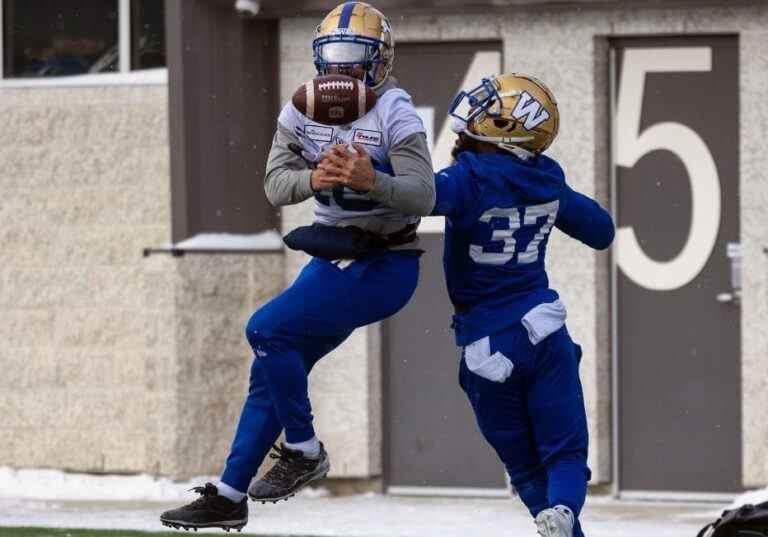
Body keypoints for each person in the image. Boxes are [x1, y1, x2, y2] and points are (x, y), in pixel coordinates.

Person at [160, 2, 434, 532]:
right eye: (332, 60)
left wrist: (368, 179)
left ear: (379, 63)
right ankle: (230, 494)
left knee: (265, 329)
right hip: (332, 256)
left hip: (384, 262)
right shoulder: (300, 111)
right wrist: (316, 180)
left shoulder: (395, 111)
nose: (340, 73)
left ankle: (305, 450)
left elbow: (424, 194)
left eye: (355, 60)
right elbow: (274, 186)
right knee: (269, 371)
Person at [431, 74, 613, 537]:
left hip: (486, 346)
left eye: (477, 120)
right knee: (566, 454)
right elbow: (601, 231)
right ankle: (565, 514)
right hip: (543, 329)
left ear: (505, 129)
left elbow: (416, 197)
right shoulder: (546, 180)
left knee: (528, 471)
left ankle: (552, 519)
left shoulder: (467, 181)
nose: (463, 130)